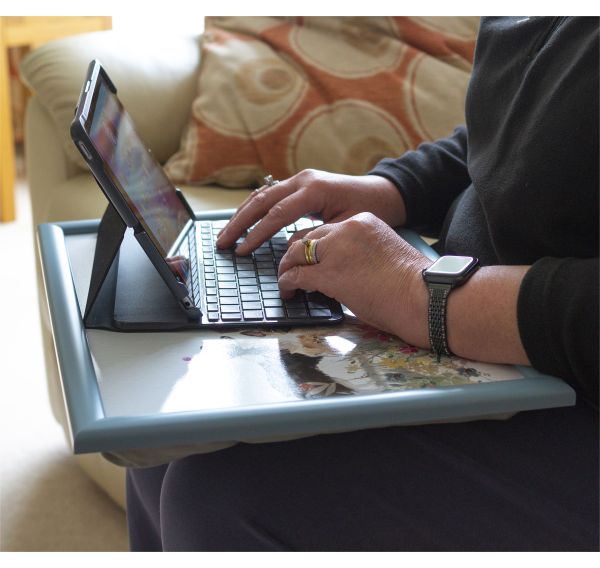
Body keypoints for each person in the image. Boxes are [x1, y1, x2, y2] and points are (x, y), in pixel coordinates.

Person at [126, 17, 599, 551]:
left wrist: (423, 293)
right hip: (489, 344)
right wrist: (389, 187)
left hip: (569, 384)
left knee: (222, 496)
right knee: (165, 442)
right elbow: (506, 137)